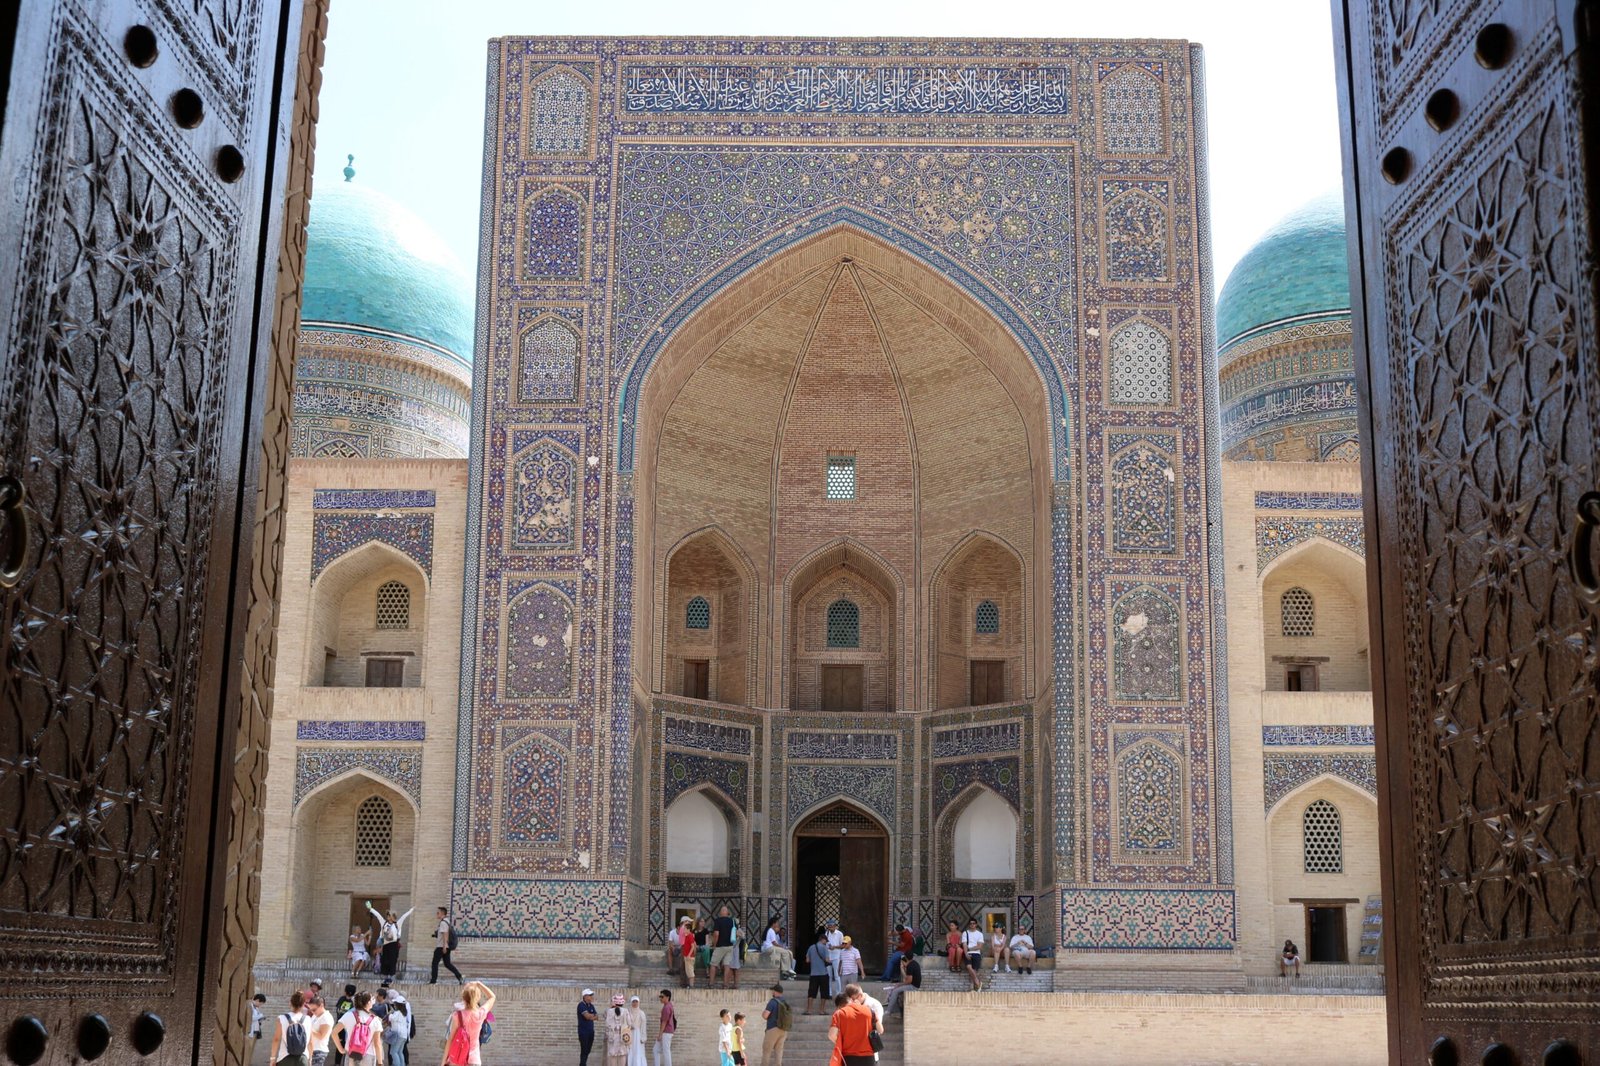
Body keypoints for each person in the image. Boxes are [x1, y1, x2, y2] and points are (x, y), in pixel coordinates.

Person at [441, 981, 494, 1066]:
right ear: (478, 998)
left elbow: (450, 1039)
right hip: (474, 1060)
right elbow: (492, 997)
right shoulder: (481, 1013)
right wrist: (479, 984)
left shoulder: (457, 1015)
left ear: (464, 998)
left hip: (457, 1060)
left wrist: (443, 1062)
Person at [826, 984, 878, 1066]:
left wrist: (842, 1042)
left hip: (849, 1056)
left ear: (840, 1006)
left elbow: (832, 1035)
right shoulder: (869, 1010)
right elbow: (880, 1030)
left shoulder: (839, 1013)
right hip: (868, 1056)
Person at [332, 991, 384, 1066]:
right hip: (368, 1055)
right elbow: (377, 1043)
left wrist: (341, 1049)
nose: (373, 1001)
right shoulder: (375, 1020)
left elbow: (334, 1033)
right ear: (367, 1002)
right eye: (372, 999)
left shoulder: (348, 1015)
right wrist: (380, 1062)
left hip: (350, 1053)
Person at [365, 901, 414, 978]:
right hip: (385, 944)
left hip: (394, 945)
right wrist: (371, 908)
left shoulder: (397, 924)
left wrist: (412, 910)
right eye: (387, 916)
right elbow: (378, 916)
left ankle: (391, 978)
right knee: (385, 961)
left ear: (392, 916)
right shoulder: (384, 923)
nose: (387, 917)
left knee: (392, 961)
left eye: (389, 915)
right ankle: (385, 978)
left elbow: (404, 916)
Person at [759, 982, 790, 1066]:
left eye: (773, 991)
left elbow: (765, 1015)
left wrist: (763, 1013)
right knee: (779, 1051)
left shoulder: (772, 1002)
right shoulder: (785, 1002)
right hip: (783, 1029)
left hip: (773, 1029)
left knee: (767, 1050)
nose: (772, 992)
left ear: (775, 991)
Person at [432, 906, 464, 985]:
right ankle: (459, 976)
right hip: (445, 946)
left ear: (442, 914)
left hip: (441, 947)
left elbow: (445, 934)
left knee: (434, 963)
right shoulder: (447, 922)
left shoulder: (443, 922)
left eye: (438, 913)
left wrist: (444, 946)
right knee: (447, 964)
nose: (437, 914)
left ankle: (433, 981)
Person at [883, 953, 921, 1018]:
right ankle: (898, 1013)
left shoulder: (910, 966)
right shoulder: (914, 963)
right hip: (912, 984)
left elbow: (909, 981)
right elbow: (906, 978)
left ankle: (888, 1011)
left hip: (913, 986)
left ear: (906, 958)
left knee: (895, 991)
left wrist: (899, 984)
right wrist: (902, 968)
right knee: (899, 994)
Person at [710, 905, 739, 989]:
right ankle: (725, 985)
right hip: (730, 946)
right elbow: (736, 934)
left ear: (720, 912)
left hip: (720, 946)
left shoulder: (718, 921)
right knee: (727, 965)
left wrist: (714, 944)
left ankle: (711, 984)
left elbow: (716, 934)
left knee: (713, 964)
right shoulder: (732, 921)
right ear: (727, 913)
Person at [804, 930, 831, 1015]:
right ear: (823, 939)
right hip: (823, 973)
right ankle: (821, 1010)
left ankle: (809, 1010)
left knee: (811, 993)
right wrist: (830, 962)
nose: (826, 943)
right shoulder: (825, 948)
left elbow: (807, 960)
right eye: (826, 941)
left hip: (813, 974)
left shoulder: (811, 947)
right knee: (824, 993)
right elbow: (827, 960)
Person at [603, 994, 632, 1066]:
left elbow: (607, 1025)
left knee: (612, 1056)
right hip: (623, 1036)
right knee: (622, 1055)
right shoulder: (626, 1011)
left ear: (614, 1002)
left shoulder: (609, 1011)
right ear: (622, 1003)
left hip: (612, 1037)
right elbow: (630, 1023)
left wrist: (607, 1035)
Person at [305, 998, 334, 1066]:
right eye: (311, 1010)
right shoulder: (316, 1016)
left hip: (319, 1052)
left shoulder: (326, 1018)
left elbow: (321, 1036)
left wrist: (307, 1028)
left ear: (321, 1005)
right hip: (312, 1050)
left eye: (314, 1009)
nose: (312, 1012)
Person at [379, 999, 407, 1066]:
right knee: (400, 1052)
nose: (394, 1005)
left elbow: (391, 1018)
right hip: (403, 1035)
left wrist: (390, 1014)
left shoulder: (397, 1013)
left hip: (398, 1035)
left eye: (395, 1004)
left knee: (393, 1052)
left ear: (398, 1005)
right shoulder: (404, 1013)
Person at [652, 989, 676, 1066]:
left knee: (666, 1051)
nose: (660, 998)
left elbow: (664, 1022)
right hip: (667, 1032)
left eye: (662, 996)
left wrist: (660, 1034)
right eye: (660, 996)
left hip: (666, 1032)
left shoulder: (666, 1008)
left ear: (667, 997)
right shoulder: (668, 1005)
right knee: (656, 1050)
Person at [961, 919, 985, 991]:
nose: (972, 925)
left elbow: (980, 946)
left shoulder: (980, 934)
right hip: (968, 953)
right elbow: (964, 944)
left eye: (973, 923)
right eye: (971, 923)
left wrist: (970, 948)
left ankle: (972, 988)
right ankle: (978, 982)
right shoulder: (965, 933)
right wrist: (966, 953)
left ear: (976, 924)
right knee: (968, 967)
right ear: (969, 924)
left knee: (973, 971)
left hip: (977, 954)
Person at [577, 989, 599, 1066]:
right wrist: (591, 1016)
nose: (591, 997)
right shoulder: (581, 1005)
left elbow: (597, 1017)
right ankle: (582, 1064)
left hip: (590, 1031)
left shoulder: (591, 1005)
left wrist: (591, 1016)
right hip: (583, 1032)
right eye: (590, 995)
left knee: (588, 1050)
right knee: (584, 1050)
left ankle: (583, 1063)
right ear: (585, 996)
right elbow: (587, 1017)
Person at [626, 995, 648, 1066]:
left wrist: (643, 1037)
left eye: (636, 1001)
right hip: (629, 1034)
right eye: (633, 1001)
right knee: (630, 1050)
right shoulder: (627, 1012)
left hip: (638, 1034)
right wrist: (629, 1027)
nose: (635, 1003)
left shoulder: (641, 1013)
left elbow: (643, 1026)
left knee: (638, 1050)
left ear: (638, 1002)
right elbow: (624, 1023)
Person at [824, 919, 844, 996]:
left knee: (836, 975)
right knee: (829, 976)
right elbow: (825, 944)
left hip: (836, 956)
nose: (830, 928)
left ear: (835, 926)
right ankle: (829, 993)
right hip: (829, 956)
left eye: (832, 926)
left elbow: (842, 945)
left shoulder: (839, 934)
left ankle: (838, 992)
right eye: (829, 926)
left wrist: (834, 947)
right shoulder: (827, 933)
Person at [677, 917, 697, 989]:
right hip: (684, 948)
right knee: (684, 967)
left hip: (686, 950)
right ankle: (685, 983)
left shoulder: (688, 933)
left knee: (688, 968)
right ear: (685, 922)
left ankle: (689, 984)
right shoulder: (683, 929)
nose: (689, 923)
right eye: (688, 921)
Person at [249, 993, 268, 1066]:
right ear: (257, 1000)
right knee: (248, 1049)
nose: (260, 1005)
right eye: (261, 1003)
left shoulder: (256, 1007)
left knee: (251, 1049)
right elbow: (251, 1018)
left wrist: (261, 1018)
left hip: (255, 1030)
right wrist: (261, 1015)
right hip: (250, 1031)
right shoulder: (250, 1006)